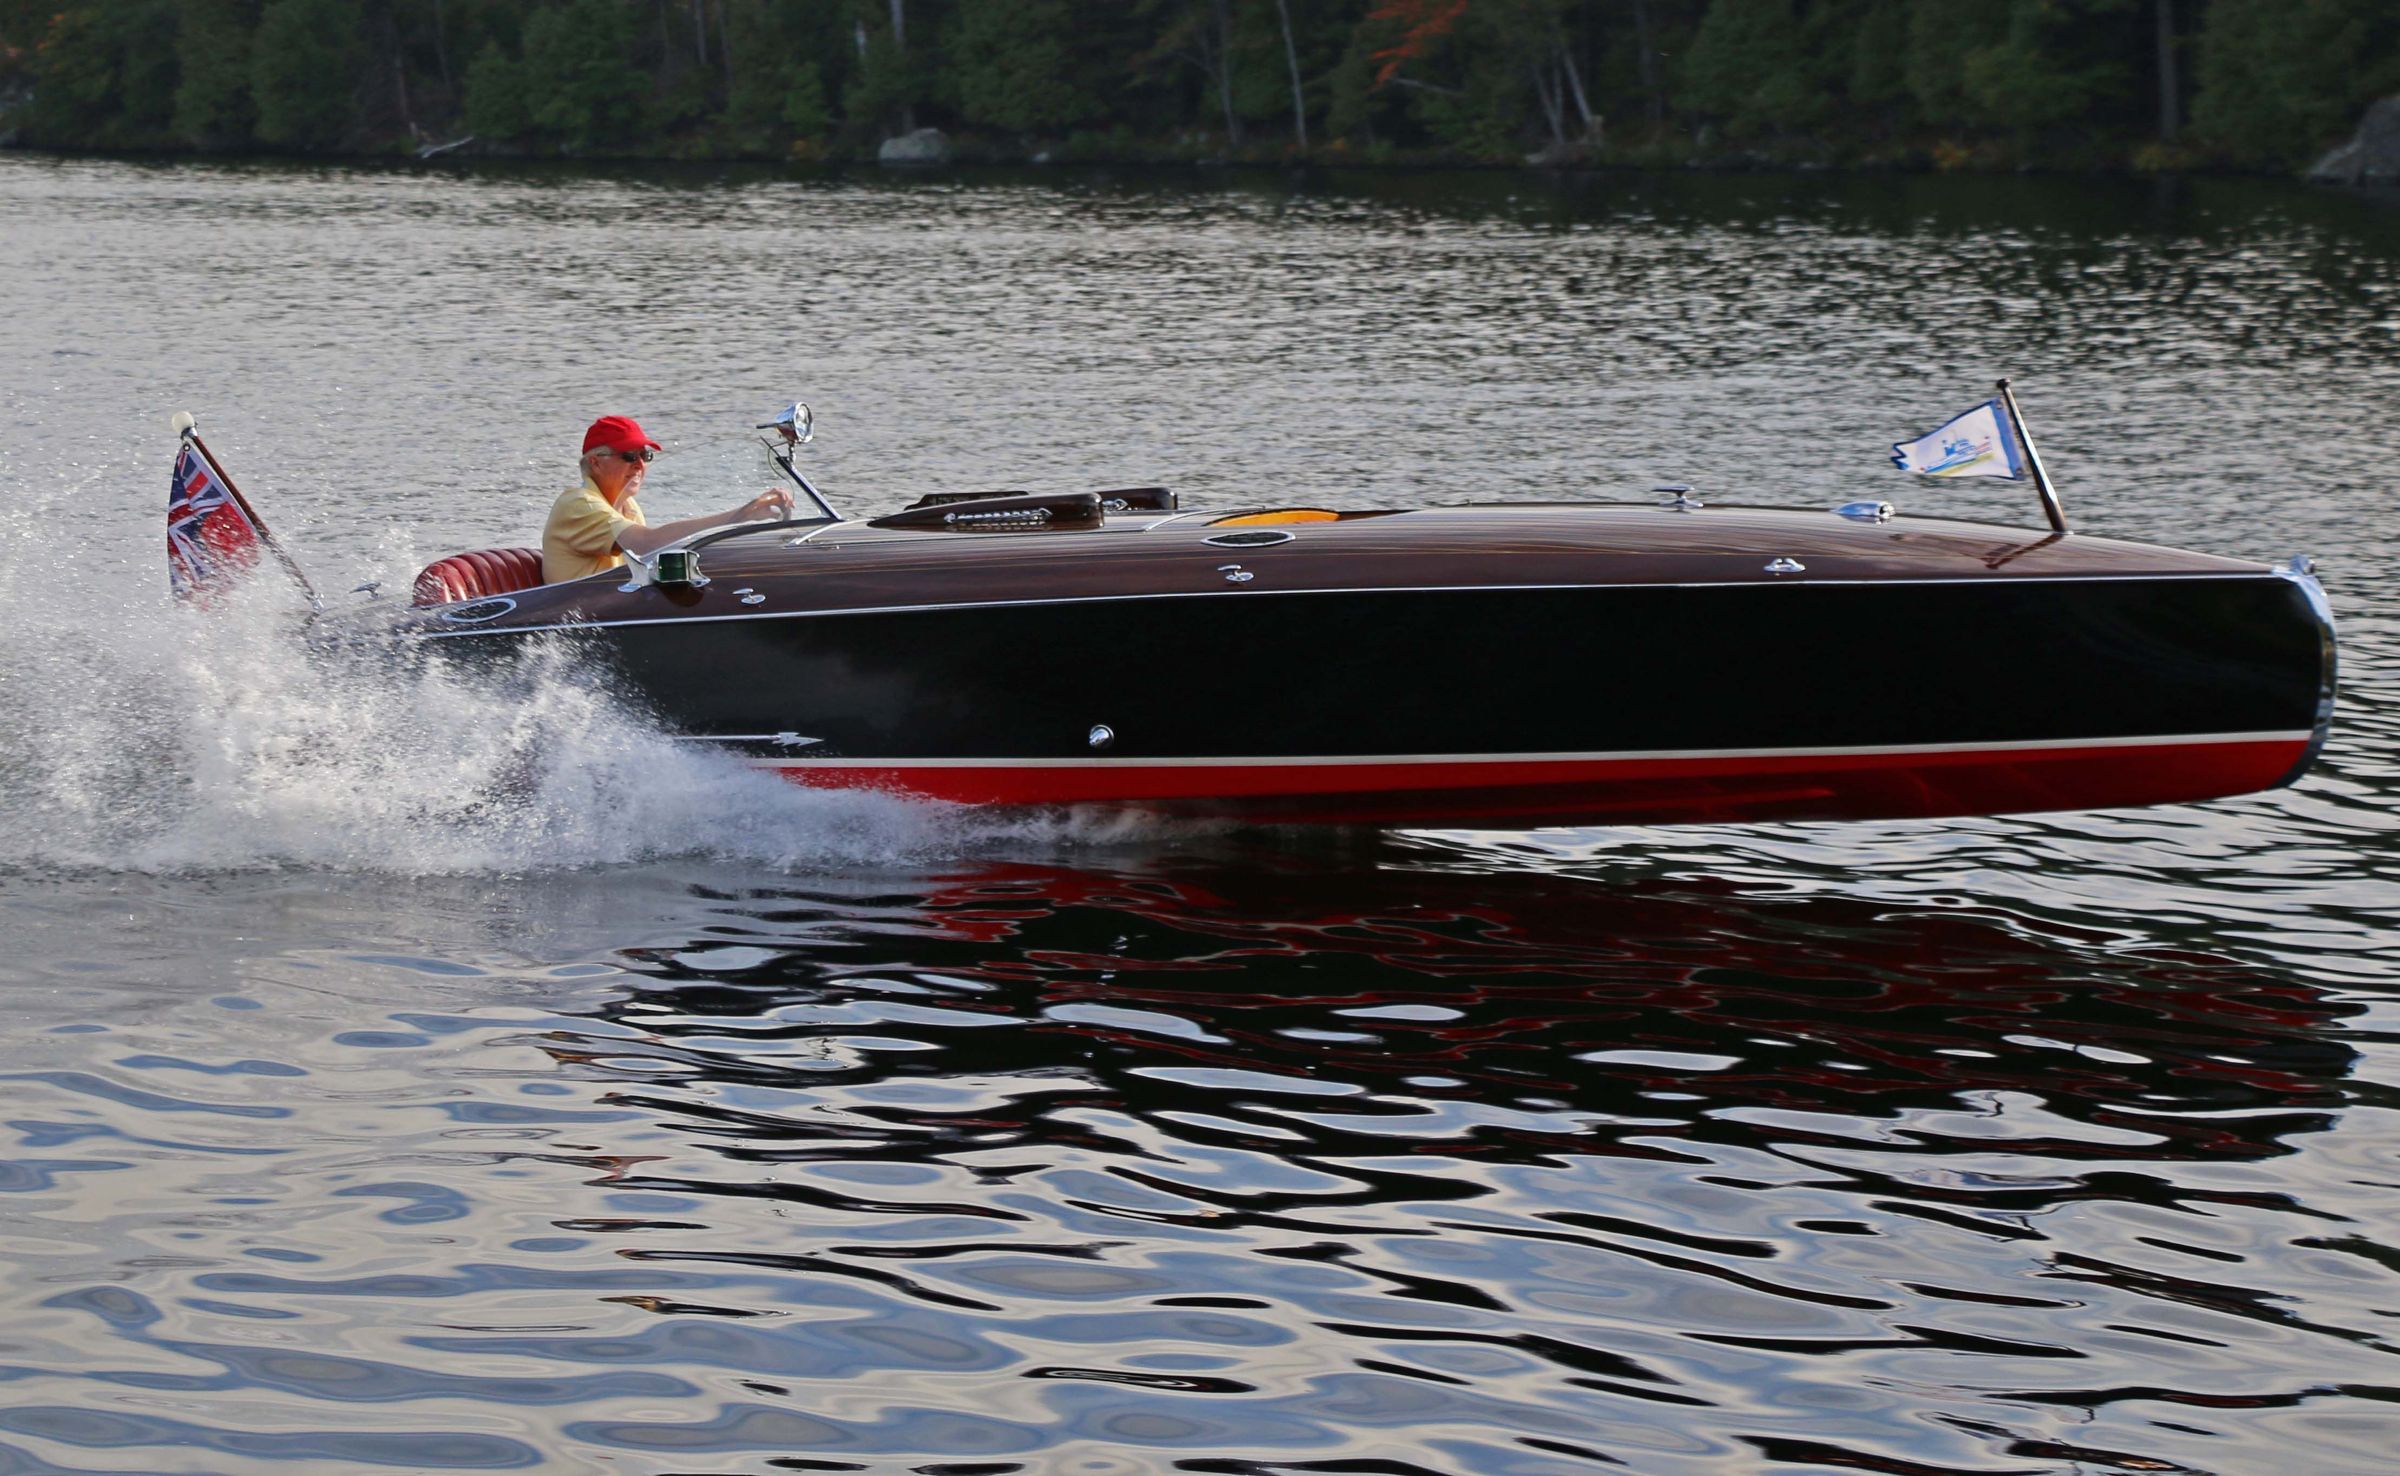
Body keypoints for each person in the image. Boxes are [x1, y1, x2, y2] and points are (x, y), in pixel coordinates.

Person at [542, 414, 793, 585]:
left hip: (608, 609)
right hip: (574, 619)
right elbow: (647, 543)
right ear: (595, 463)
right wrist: (738, 516)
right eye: (629, 456)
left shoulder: (628, 507)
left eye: (645, 456)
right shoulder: (579, 503)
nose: (640, 465)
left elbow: (652, 558)